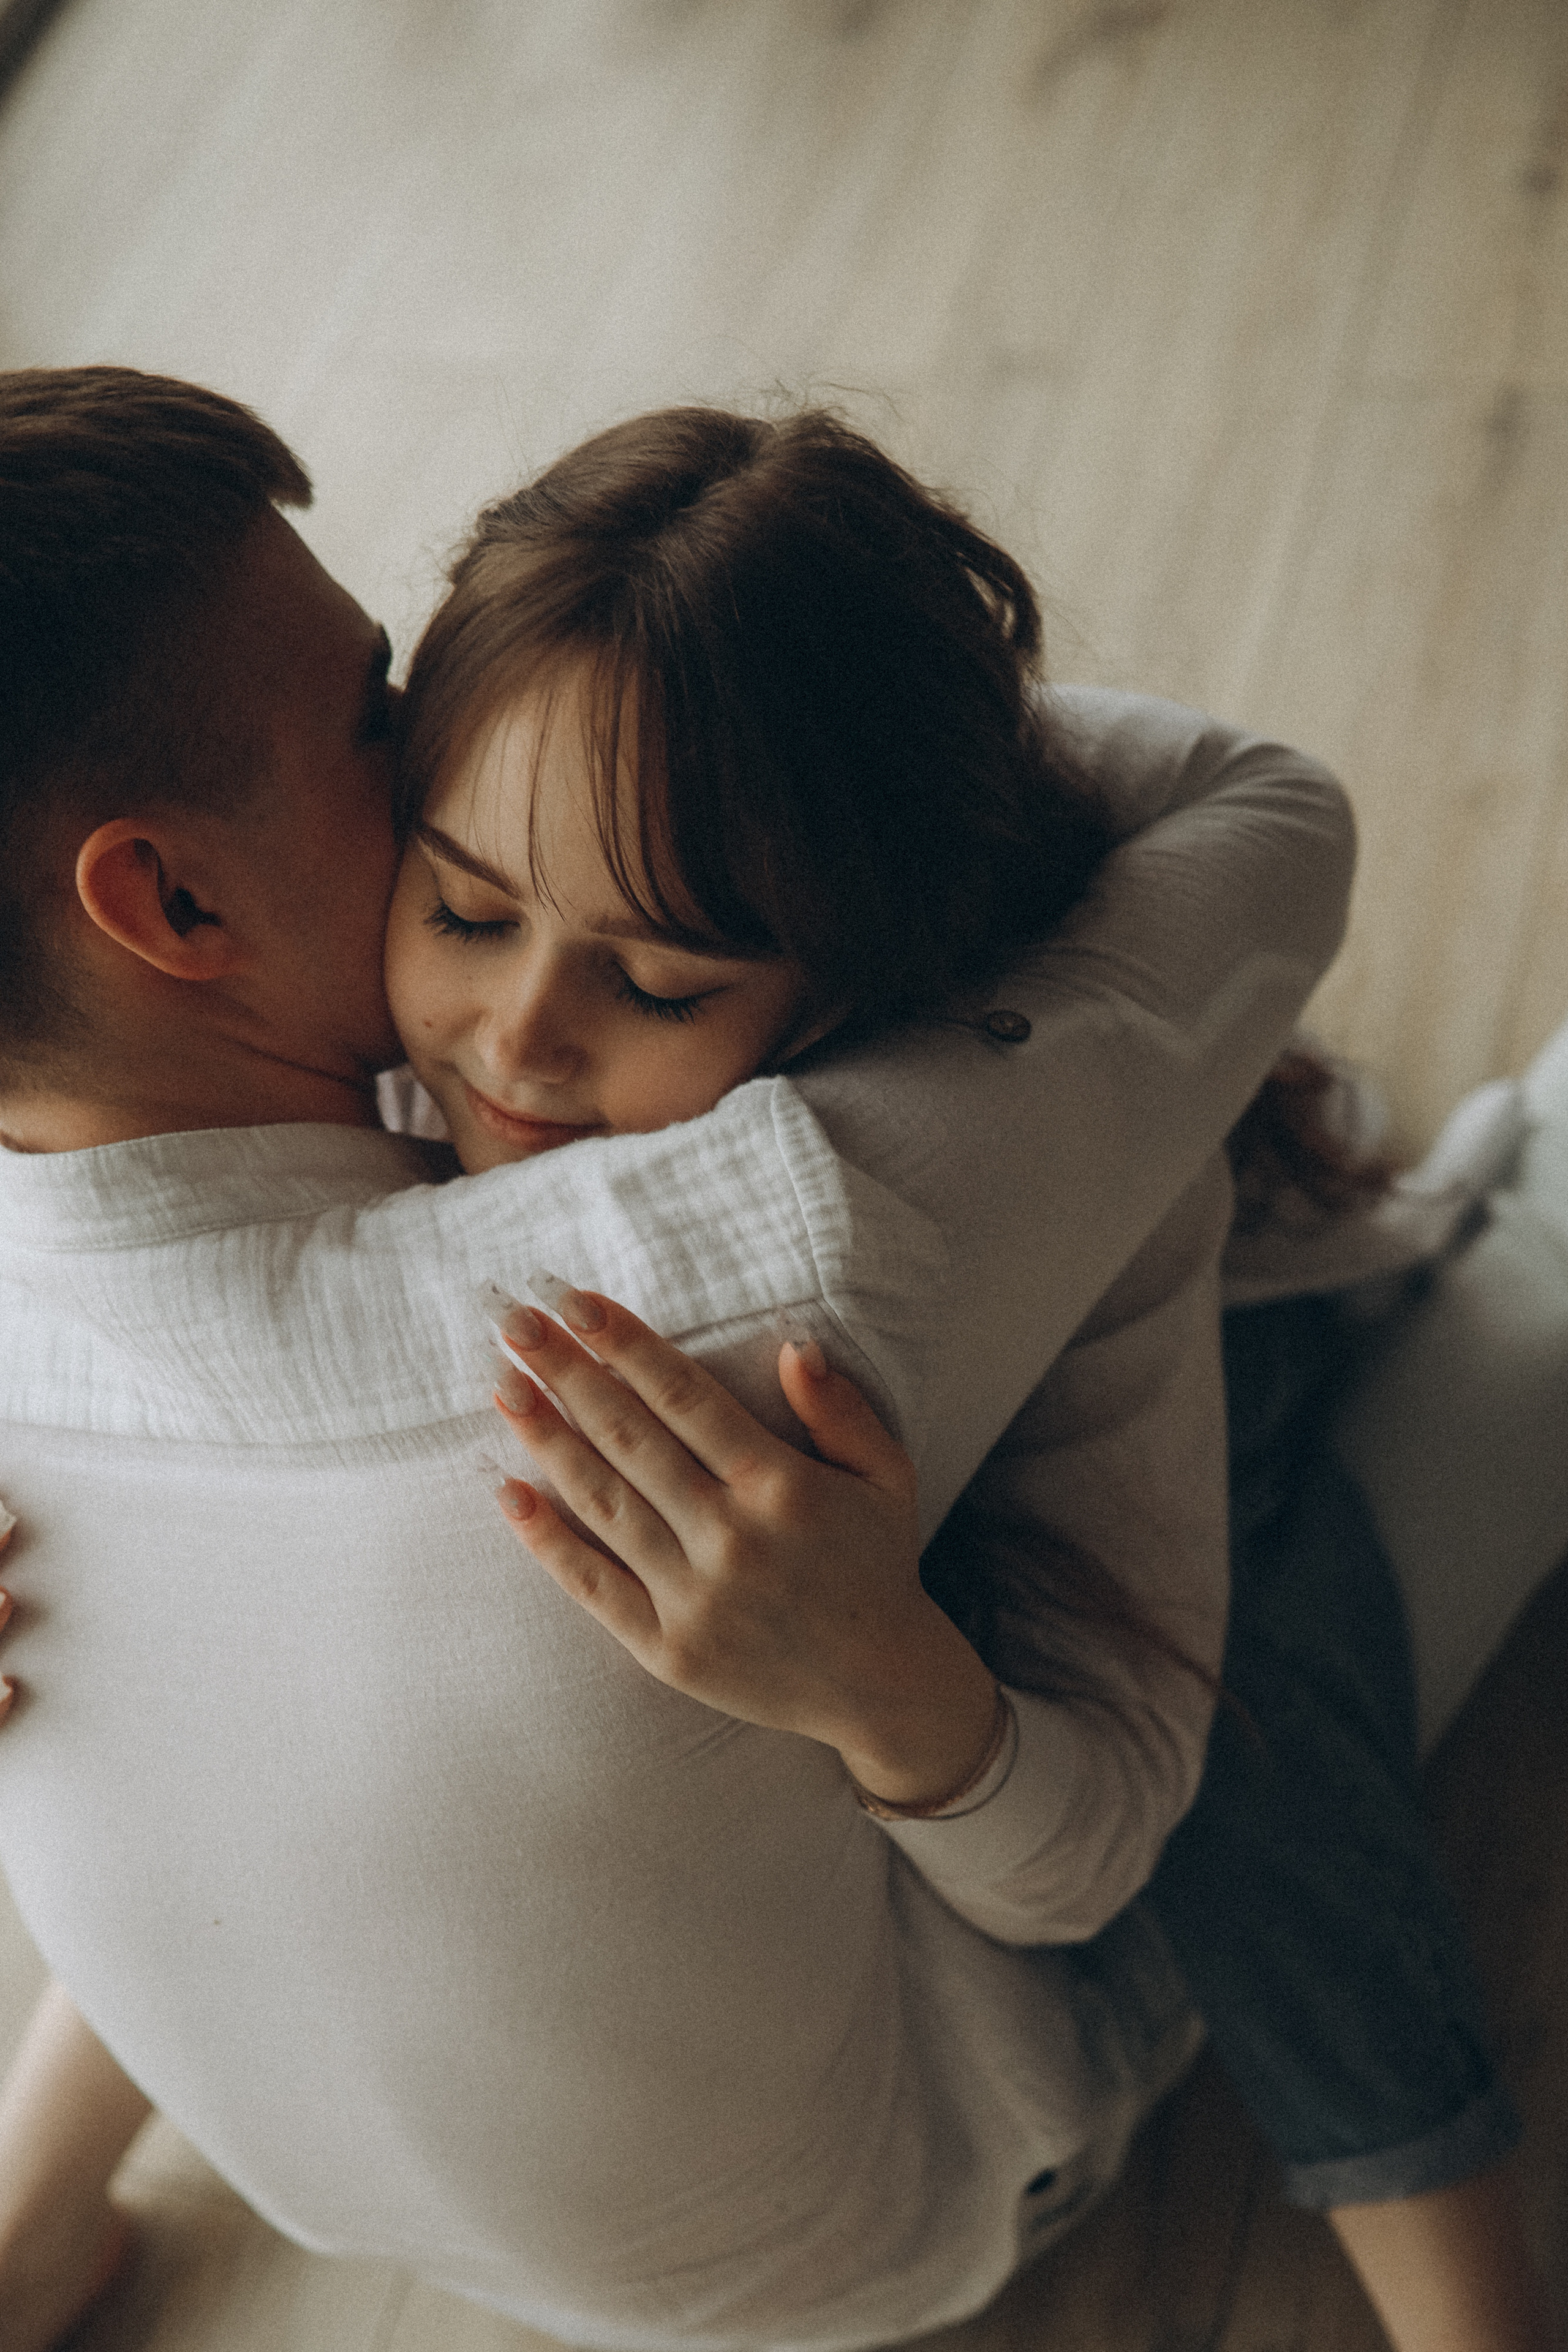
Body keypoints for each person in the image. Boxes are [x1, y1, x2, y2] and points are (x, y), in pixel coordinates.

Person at [0, 366, 1341, 2352]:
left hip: (301, 2165)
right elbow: (1259, 813)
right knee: (1302, 1383)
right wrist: (714, 710)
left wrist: (559, 753)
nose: (525, 1044)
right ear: (176, 894)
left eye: (647, 969)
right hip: (875, 2236)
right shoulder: (750, 1266)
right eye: (388, 710)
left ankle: (31, 2204)